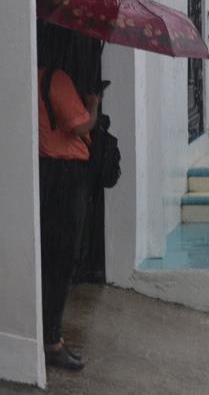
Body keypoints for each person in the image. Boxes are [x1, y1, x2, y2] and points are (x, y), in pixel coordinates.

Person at [37, 25, 101, 372]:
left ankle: (47, 333)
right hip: (66, 176)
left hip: (45, 172)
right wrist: (92, 105)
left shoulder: (31, 76)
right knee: (63, 258)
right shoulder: (56, 79)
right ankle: (52, 340)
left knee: (49, 255)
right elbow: (78, 127)